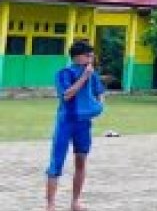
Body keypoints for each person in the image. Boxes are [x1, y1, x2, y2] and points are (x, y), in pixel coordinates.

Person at [46, 40, 105, 211]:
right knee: (56, 162)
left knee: (81, 161)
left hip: (83, 124)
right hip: (66, 121)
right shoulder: (64, 73)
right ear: (77, 57)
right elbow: (67, 95)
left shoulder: (93, 74)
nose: (91, 59)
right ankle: (50, 205)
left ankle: (75, 201)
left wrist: (98, 107)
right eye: (88, 55)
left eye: (92, 56)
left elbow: (100, 92)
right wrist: (84, 77)